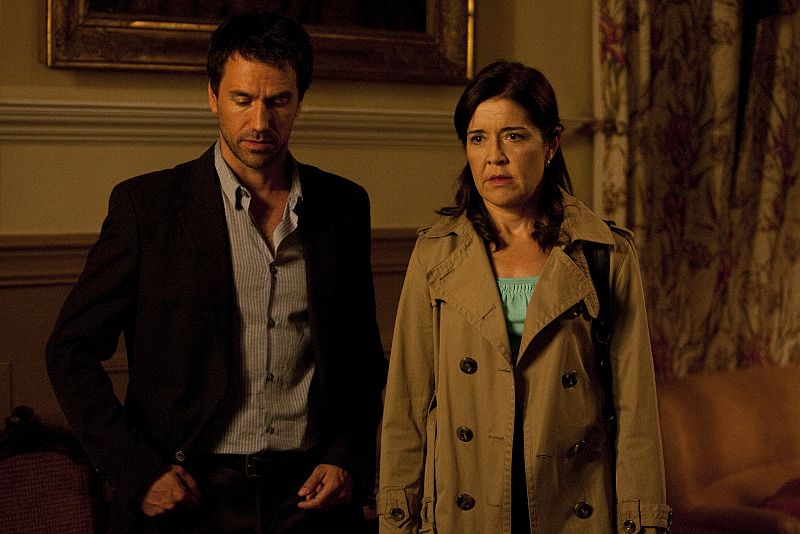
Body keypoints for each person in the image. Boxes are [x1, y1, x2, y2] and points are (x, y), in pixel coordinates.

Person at [46, 10, 387, 533]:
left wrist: (347, 457)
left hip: (308, 499)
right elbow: (69, 351)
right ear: (212, 96)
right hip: (187, 497)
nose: (260, 122)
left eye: (278, 101)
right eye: (242, 100)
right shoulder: (147, 207)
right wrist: (137, 472)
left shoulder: (343, 206)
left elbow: (361, 355)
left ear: (300, 100)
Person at [377, 61, 672, 533]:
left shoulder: (604, 253)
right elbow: (406, 410)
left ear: (551, 144)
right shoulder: (434, 255)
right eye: (478, 139)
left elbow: (635, 409)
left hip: (572, 504)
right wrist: (397, 518)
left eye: (513, 136)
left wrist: (643, 520)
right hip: (465, 505)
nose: (494, 157)